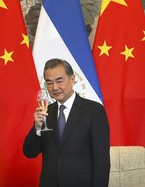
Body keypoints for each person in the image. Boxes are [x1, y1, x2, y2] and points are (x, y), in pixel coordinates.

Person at [23, 58, 110, 187]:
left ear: (72, 79)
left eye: (59, 81)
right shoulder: (46, 112)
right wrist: (37, 128)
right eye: (49, 83)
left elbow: (101, 160)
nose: (55, 87)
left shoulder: (94, 111)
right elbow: (29, 152)